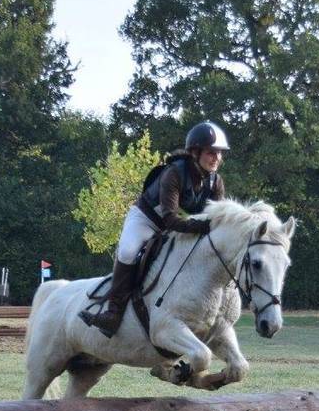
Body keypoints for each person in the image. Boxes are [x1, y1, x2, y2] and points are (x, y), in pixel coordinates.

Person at [79, 120, 229, 337]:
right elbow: (170, 219)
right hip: (146, 220)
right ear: (195, 153)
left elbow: (216, 218)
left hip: (177, 227)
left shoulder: (215, 182)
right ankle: (113, 313)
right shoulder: (174, 173)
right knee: (128, 252)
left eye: (219, 153)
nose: (217, 158)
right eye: (211, 152)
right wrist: (204, 226)